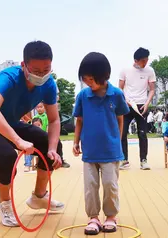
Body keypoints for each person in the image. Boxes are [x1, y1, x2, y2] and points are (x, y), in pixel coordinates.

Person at [0, 40, 64, 227]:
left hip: (9, 122)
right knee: (7, 156)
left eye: (46, 70)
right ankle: (5, 204)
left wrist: (52, 148)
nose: (41, 75)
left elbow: (54, 120)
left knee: (51, 144)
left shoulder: (49, 84)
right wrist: (18, 141)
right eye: (36, 71)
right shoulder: (9, 77)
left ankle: (39, 196)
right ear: (23, 66)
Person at [73, 52, 130, 235]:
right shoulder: (83, 96)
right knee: (90, 186)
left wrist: (117, 141)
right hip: (90, 150)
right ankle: (93, 217)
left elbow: (120, 119)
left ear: (103, 76)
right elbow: (79, 120)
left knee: (109, 184)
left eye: (91, 79)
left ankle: (111, 216)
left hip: (110, 150)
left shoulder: (116, 95)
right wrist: (76, 142)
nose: (88, 83)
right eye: (85, 79)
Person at [119, 47, 156, 170]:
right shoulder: (125, 70)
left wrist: (147, 103)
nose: (145, 63)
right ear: (136, 60)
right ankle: (124, 160)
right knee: (122, 133)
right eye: (143, 61)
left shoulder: (149, 71)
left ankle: (143, 160)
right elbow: (120, 88)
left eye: (147, 60)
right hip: (127, 105)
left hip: (142, 106)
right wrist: (125, 100)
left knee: (142, 133)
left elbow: (152, 89)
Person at [33, 102, 70, 168]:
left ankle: (60, 160)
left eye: (41, 107)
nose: (39, 109)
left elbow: (49, 125)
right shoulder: (34, 117)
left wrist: (47, 134)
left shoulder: (47, 116)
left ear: (44, 107)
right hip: (37, 136)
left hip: (46, 134)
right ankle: (37, 163)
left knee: (58, 144)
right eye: (38, 107)